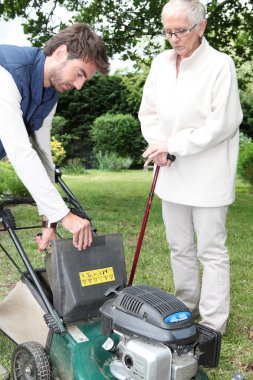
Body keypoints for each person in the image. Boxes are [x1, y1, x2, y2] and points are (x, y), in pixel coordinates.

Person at [139, 0, 243, 334]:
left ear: (202, 26)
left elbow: (223, 124)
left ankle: (213, 323)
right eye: (167, 31)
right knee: (179, 246)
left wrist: (174, 144)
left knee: (211, 251)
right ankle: (184, 308)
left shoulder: (220, 64)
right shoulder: (160, 63)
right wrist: (159, 145)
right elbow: (149, 112)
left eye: (180, 31)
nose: (173, 38)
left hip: (209, 176)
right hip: (171, 172)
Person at [0, 23, 109, 252]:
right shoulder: (7, 72)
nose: (79, 86)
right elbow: (20, 151)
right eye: (79, 73)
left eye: (85, 80)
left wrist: (49, 218)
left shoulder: (51, 93)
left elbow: (42, 153)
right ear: (61, 53)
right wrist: (64, 215)